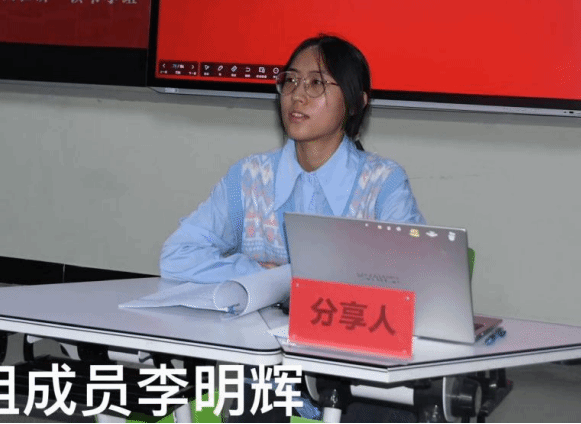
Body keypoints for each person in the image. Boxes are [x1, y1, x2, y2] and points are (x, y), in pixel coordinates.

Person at [160, 34, 426, 283]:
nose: (297, 96)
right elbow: (177, 256)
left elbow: (412, 275)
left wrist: (294, 278)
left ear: (356, 102)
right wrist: (261, 274)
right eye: (291, 81)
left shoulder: (382, 184)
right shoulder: (250, 177)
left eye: (316, 83)